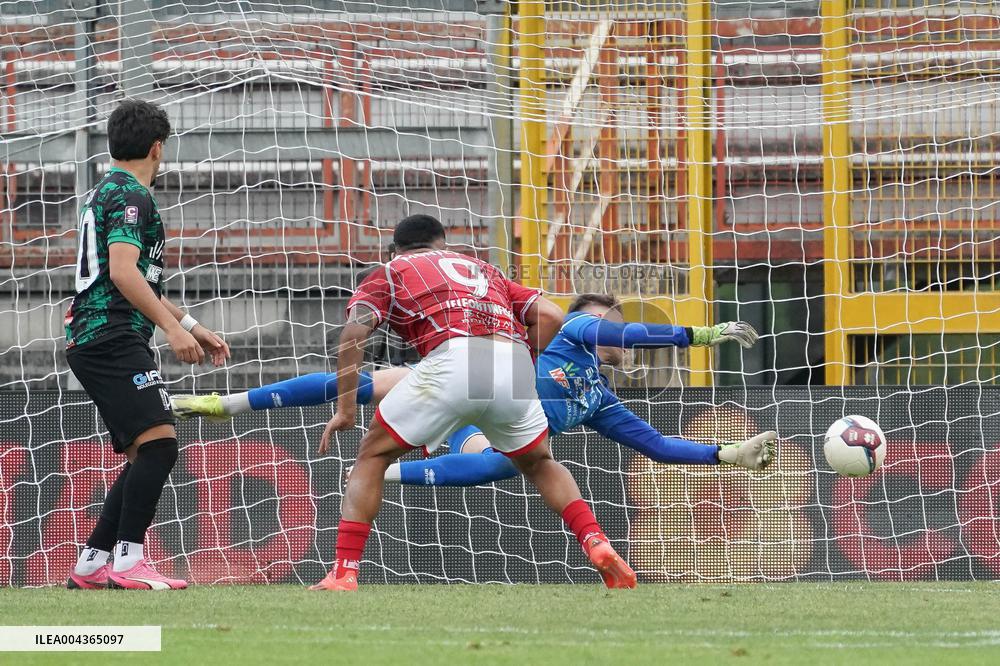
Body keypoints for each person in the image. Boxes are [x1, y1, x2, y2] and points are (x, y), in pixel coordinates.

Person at [307, 214, 636, 591]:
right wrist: (524, 361)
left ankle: (345, 572)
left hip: (454, 358)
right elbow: (551, 315)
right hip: (510, 360)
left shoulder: (390, 270)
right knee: (540, 462)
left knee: (372, 457)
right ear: (442, 243)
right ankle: (595, 541)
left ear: (395, 249)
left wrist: (346, 410)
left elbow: (353, 334)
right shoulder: (482, 268)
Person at [172, 296, 776, 487]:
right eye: (602, 318)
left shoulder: (598, 399)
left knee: (499, 460)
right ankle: (223, 404)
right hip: (472, 380)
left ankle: (380, 475)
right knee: (360, 385)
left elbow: (655, 446)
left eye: (605, 320)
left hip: (485, 418)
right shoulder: (572, 334)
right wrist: (700, 333)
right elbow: (628, 331)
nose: (607, 327)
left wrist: (726, 455)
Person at [64, 99, 230, 591]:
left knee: (146, 452)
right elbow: (121, 272)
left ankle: (93, 562)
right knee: (160, 447)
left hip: (100, 336)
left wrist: (191, 323)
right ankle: (129, 560)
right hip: (110, 335)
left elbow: (141, 280)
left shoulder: (105, 191)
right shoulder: (133, 197)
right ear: (158, 147)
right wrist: (173, 331)